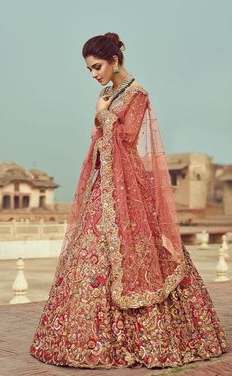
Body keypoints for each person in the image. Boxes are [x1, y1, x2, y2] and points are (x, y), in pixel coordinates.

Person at [30, 32, 229, 369]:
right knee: (91, 251)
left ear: (115, 61)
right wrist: (102, 114)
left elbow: (124, 139)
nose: (94, 75)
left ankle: (152, 336)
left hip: (128, 186)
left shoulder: (137, 94)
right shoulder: (108, 94)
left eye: (97, 67)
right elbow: (102, 140)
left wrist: (101, 114)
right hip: (105, 185)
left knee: (142, 252)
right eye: (89, 70)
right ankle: (87, 339)